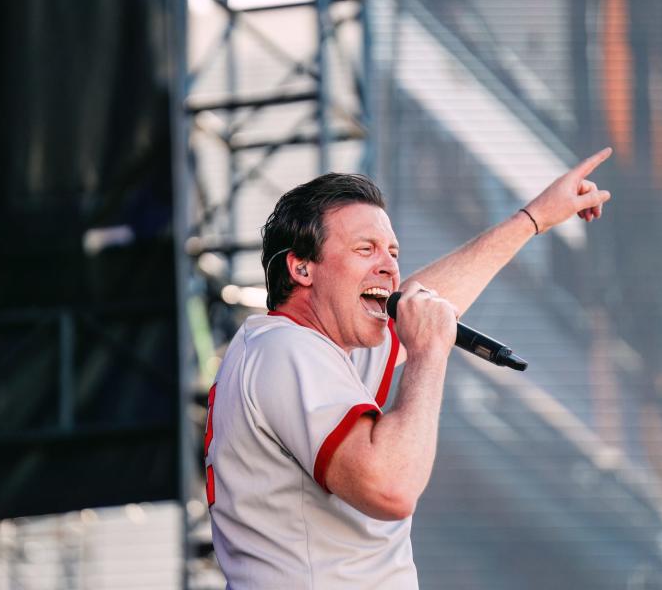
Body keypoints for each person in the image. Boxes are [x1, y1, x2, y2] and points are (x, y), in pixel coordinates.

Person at [204, 148, 614, 588]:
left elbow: (428, 300)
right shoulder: (286, 349)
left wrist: (532, 219)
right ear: (301, 267)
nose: (389, 266)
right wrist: (429, 353)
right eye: (366, 249)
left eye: (393, 252)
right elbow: (390, 487)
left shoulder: (317, 350)